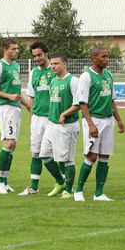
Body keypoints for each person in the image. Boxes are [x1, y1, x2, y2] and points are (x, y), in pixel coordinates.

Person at [75, 47, 125, 202]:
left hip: (108, 119)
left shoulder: (108, 75)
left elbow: (111, 99)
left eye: (107, 56)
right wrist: (90, 124)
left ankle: (99, 194)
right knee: (91, 156)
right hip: (94, 119)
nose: (107, 59)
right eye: (103, 56)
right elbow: (82, 102)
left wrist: (119, 119)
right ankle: (78, 191)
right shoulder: (86, 77)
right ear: (94, 58)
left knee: (105, 157)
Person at [0, 38, 30, 194]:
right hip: (4, 108)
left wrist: (28, 106)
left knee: (13, 145)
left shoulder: (16, 66)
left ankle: (5, 181)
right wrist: (8, 96)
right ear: (5, 50)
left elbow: (17, 93)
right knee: (9, 143)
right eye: (13, 49)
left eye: (17, 48)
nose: (16, 51)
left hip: (16, 108)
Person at [18, 41, 59, 196]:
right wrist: (32, 116)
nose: (37, 58)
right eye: (34, 56)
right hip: (37, 119)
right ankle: (34, 187)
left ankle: (63, 184)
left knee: (56, 154)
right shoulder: (34, 72)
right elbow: (32, 97)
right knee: (35, 153)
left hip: (52, 118)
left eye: (39, 55)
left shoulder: (54, 69)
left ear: (46, 53)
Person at [38, 53, 81, 199]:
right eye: (52, 64)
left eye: (56, 64)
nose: (52, 66)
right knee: (44, 155)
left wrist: (64, 113)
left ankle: (69, 190)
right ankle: (60, 182)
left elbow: (79, 103)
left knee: (67, 160)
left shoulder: (73, 81)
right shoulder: (53, 81)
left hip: (67, 126)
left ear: (64, 64)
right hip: (52, 124)